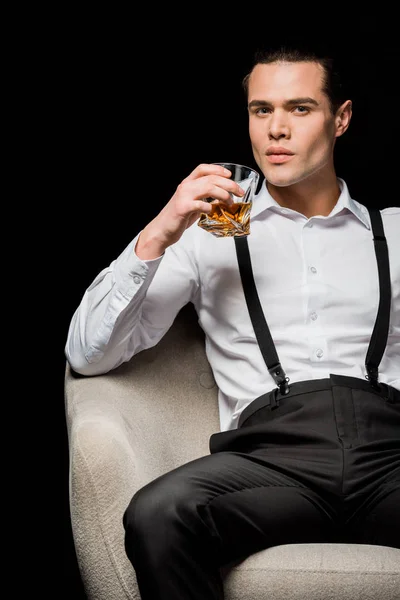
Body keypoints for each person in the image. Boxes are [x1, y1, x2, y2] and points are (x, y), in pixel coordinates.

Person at [65, 44, 400, 600]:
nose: (276, 130)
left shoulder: (394, 233)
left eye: (299, 108)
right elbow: (87, 354)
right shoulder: (205, 233)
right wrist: (159, 232)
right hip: (274, 461)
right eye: (261, 110)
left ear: (340, 119)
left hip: (390, 453)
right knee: (159, 514)